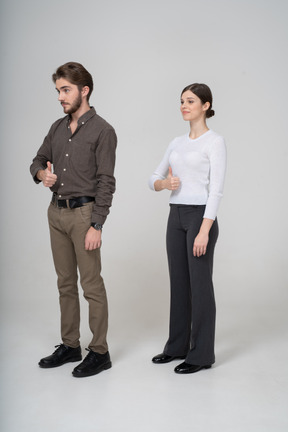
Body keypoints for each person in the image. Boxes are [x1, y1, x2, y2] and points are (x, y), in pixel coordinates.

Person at [30, 62, 117, 378]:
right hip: (56, 213)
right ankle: (70, 346)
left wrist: (97, 224)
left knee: (91, 285)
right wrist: (42, 174)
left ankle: (100, 352)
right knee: (64, 283)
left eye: (65, 90)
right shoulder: (56, 127)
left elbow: (107, 181)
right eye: (58, 91)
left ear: (84, 90)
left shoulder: (103, 131)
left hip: (84, 216)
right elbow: (38, 159)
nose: (60, 97)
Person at [149, 83, 226, 374]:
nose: (184, 105)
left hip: (199, 218)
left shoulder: (214, 141)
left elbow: (216, 191)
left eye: (190, 100)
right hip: (175, 215)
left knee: (200, 287)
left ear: (205, 105)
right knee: (179, 284)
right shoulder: (176, 142)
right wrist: (164, 184)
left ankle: (202, 354)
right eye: (182, 100)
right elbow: (153, 178)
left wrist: (205, 230)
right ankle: (177, 347)